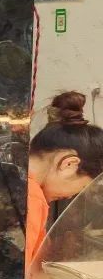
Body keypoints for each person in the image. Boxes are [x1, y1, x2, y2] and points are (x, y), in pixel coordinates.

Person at [25, 91, 103, 267]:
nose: (70, 196)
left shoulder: (15, 178)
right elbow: (26, 273)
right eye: (81, 188)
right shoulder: (32, 198)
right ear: (69, 164)